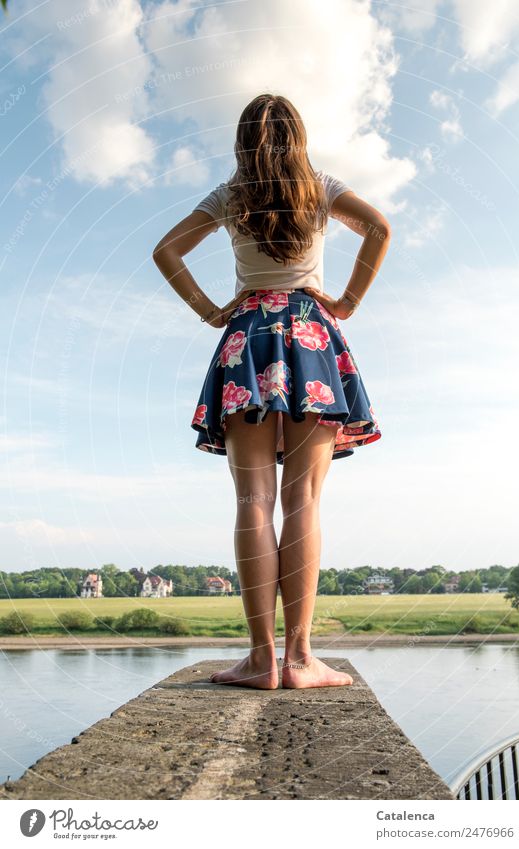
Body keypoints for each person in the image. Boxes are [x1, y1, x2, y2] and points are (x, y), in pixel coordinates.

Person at [152, 93, 391, 690]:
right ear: (299, 138)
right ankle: (302, 659)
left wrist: (211, 311)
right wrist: (347, 302)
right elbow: (379, 229)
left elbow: (166, 250)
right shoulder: (320, 188)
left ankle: (261, 660)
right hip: (311, 334)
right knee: (303, 501)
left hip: (248, 339)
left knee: (252, 502)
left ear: (242, 143)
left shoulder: (230, 196)